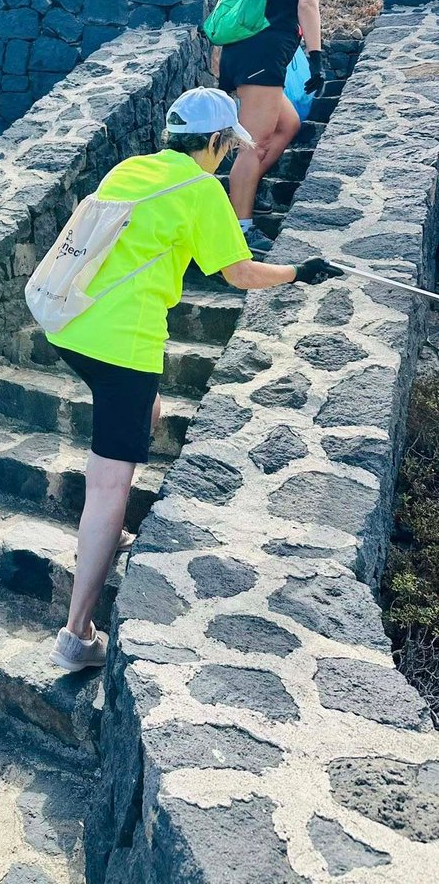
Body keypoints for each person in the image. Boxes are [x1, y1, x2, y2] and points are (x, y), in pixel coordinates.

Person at [44, 87, 341, 672]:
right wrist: (298, 273)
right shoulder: (201, 189)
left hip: (69, 326)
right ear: (212, 142)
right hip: (122, 346)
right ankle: (75, 635)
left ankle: (113, 523)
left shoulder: (133, 168)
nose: (230, 155)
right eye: (229, 145)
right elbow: (238, 272)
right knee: (111, 483)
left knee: (145, 413)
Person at [219, 0, 345, 252]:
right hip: (262, 58)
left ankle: (247, 184)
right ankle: (241, 228)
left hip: (243, 54)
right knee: (254, 142)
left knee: (287, 124)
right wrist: (316, 57)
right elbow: (308, 4)